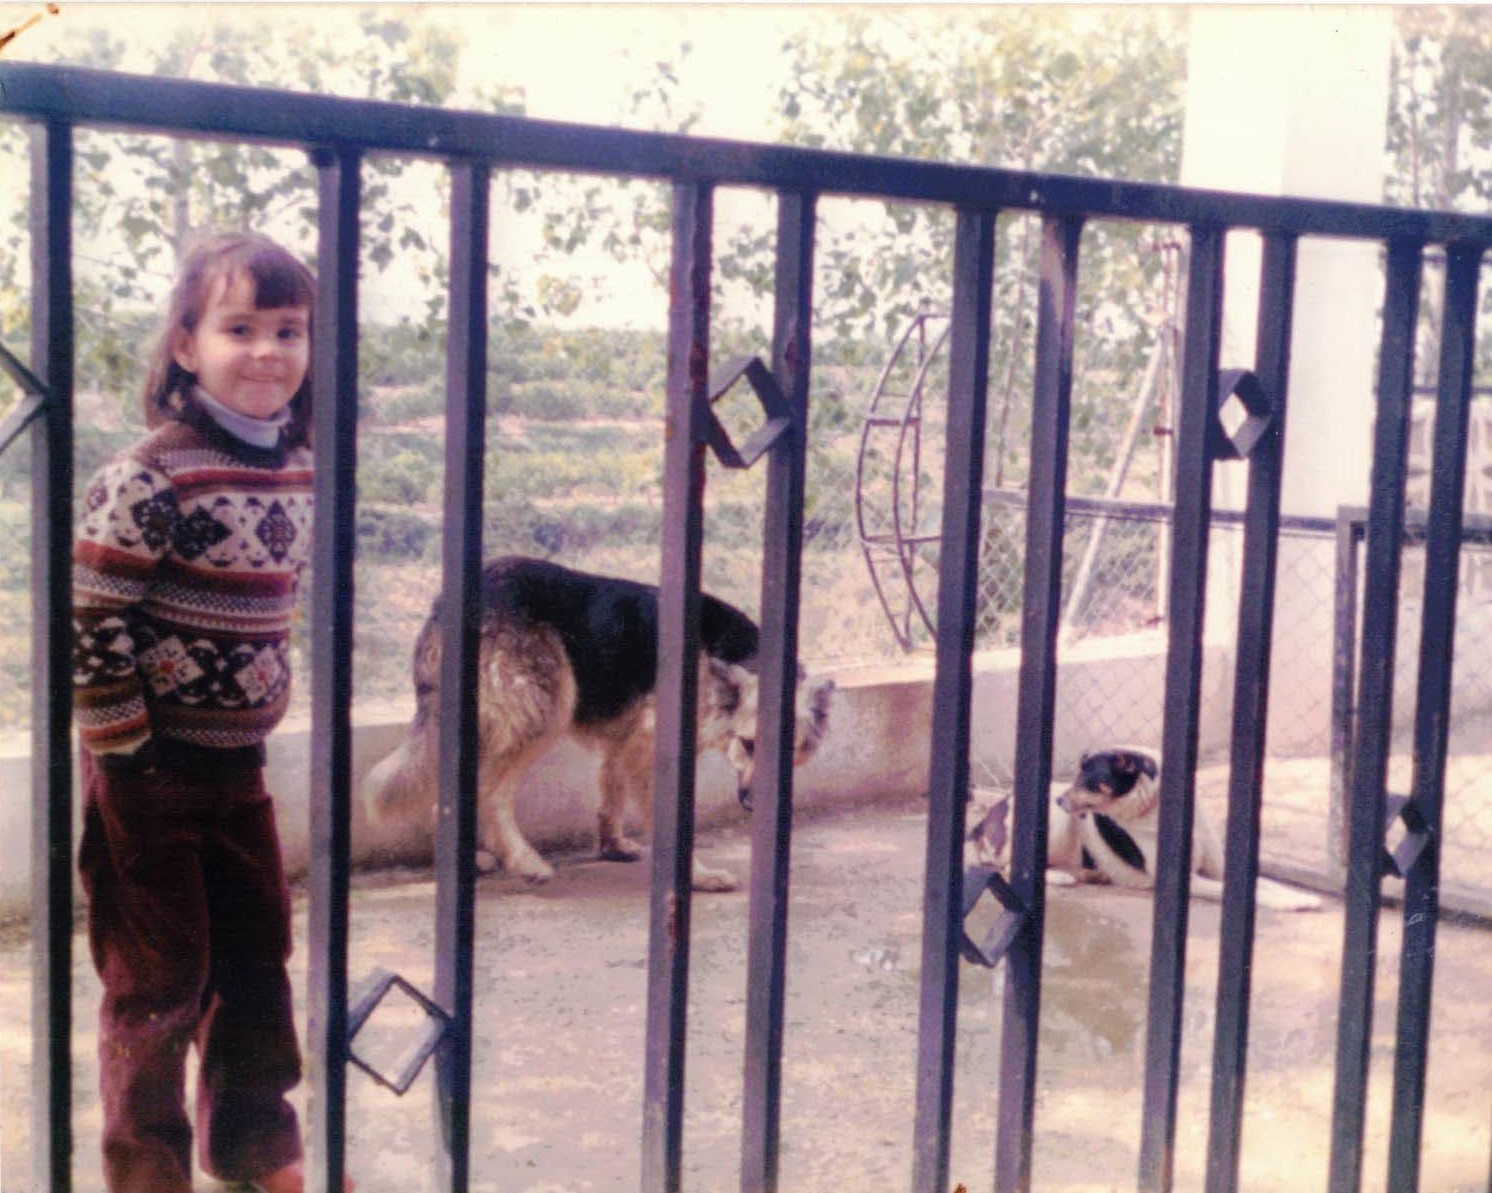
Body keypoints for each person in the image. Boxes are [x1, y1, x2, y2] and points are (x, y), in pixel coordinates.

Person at [73, 231, 348, 1193]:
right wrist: (130, 753)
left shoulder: (296, 466)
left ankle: (257, 1155)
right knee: (158, 987)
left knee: (256, 970)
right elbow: (92, 618)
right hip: (148, 774)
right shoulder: (151, 473)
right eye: (240, 328)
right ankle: (147, 1179)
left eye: (289, 329)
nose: (268, 350)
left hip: (239, 770)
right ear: (187, 345)